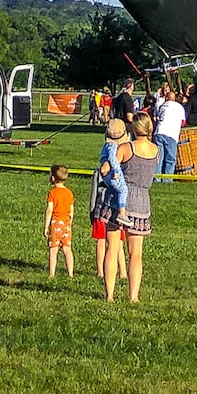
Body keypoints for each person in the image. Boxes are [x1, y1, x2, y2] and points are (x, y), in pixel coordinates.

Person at [112, 113, 159, 305]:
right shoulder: (156, 150)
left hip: (121, 198)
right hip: (143, 201)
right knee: (136, 253)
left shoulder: (126, 147)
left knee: (113, 247)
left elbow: (110, 169)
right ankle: (133, 296)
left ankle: (109, 294)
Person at [89, 118, 129, 285]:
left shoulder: (106, 147)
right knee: (107, 239)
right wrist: (116, 172)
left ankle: (120, 271)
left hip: (105, 198)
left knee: (114, 240)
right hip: (106, 197)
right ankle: (103, 270)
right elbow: (109, 165)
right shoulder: (113, 150)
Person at [44, 164, 75, 279]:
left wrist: (46, 226)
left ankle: (52, 274)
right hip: (66, 223)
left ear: (53, 178)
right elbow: (71, 211)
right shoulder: (69, 193)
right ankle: (71, 274)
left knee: (53, 249)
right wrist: (69, 223)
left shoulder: (53, 193)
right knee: (67, 249)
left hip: (55, 223)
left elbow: (49, 210)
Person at [154, 84, 187, 178]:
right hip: (171, 134)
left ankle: (157, 177)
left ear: (166, 98)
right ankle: (167, 178)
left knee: (159, 157)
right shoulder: (180, 107)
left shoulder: (162, 106)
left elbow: (158, 117)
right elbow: (183, 122)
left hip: (159, 132)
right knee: (170, 158)